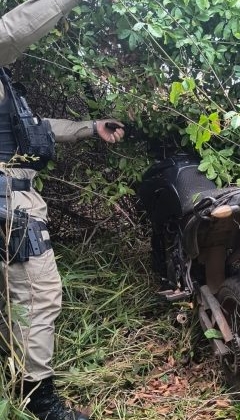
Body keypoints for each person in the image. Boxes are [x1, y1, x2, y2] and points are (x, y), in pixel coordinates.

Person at [0, 1, 125, 419]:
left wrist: (90, 128)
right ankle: (38, 401)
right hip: (10, 205)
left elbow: (32, 127)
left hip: (15, 200)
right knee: (37, 296)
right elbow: (12, 32)